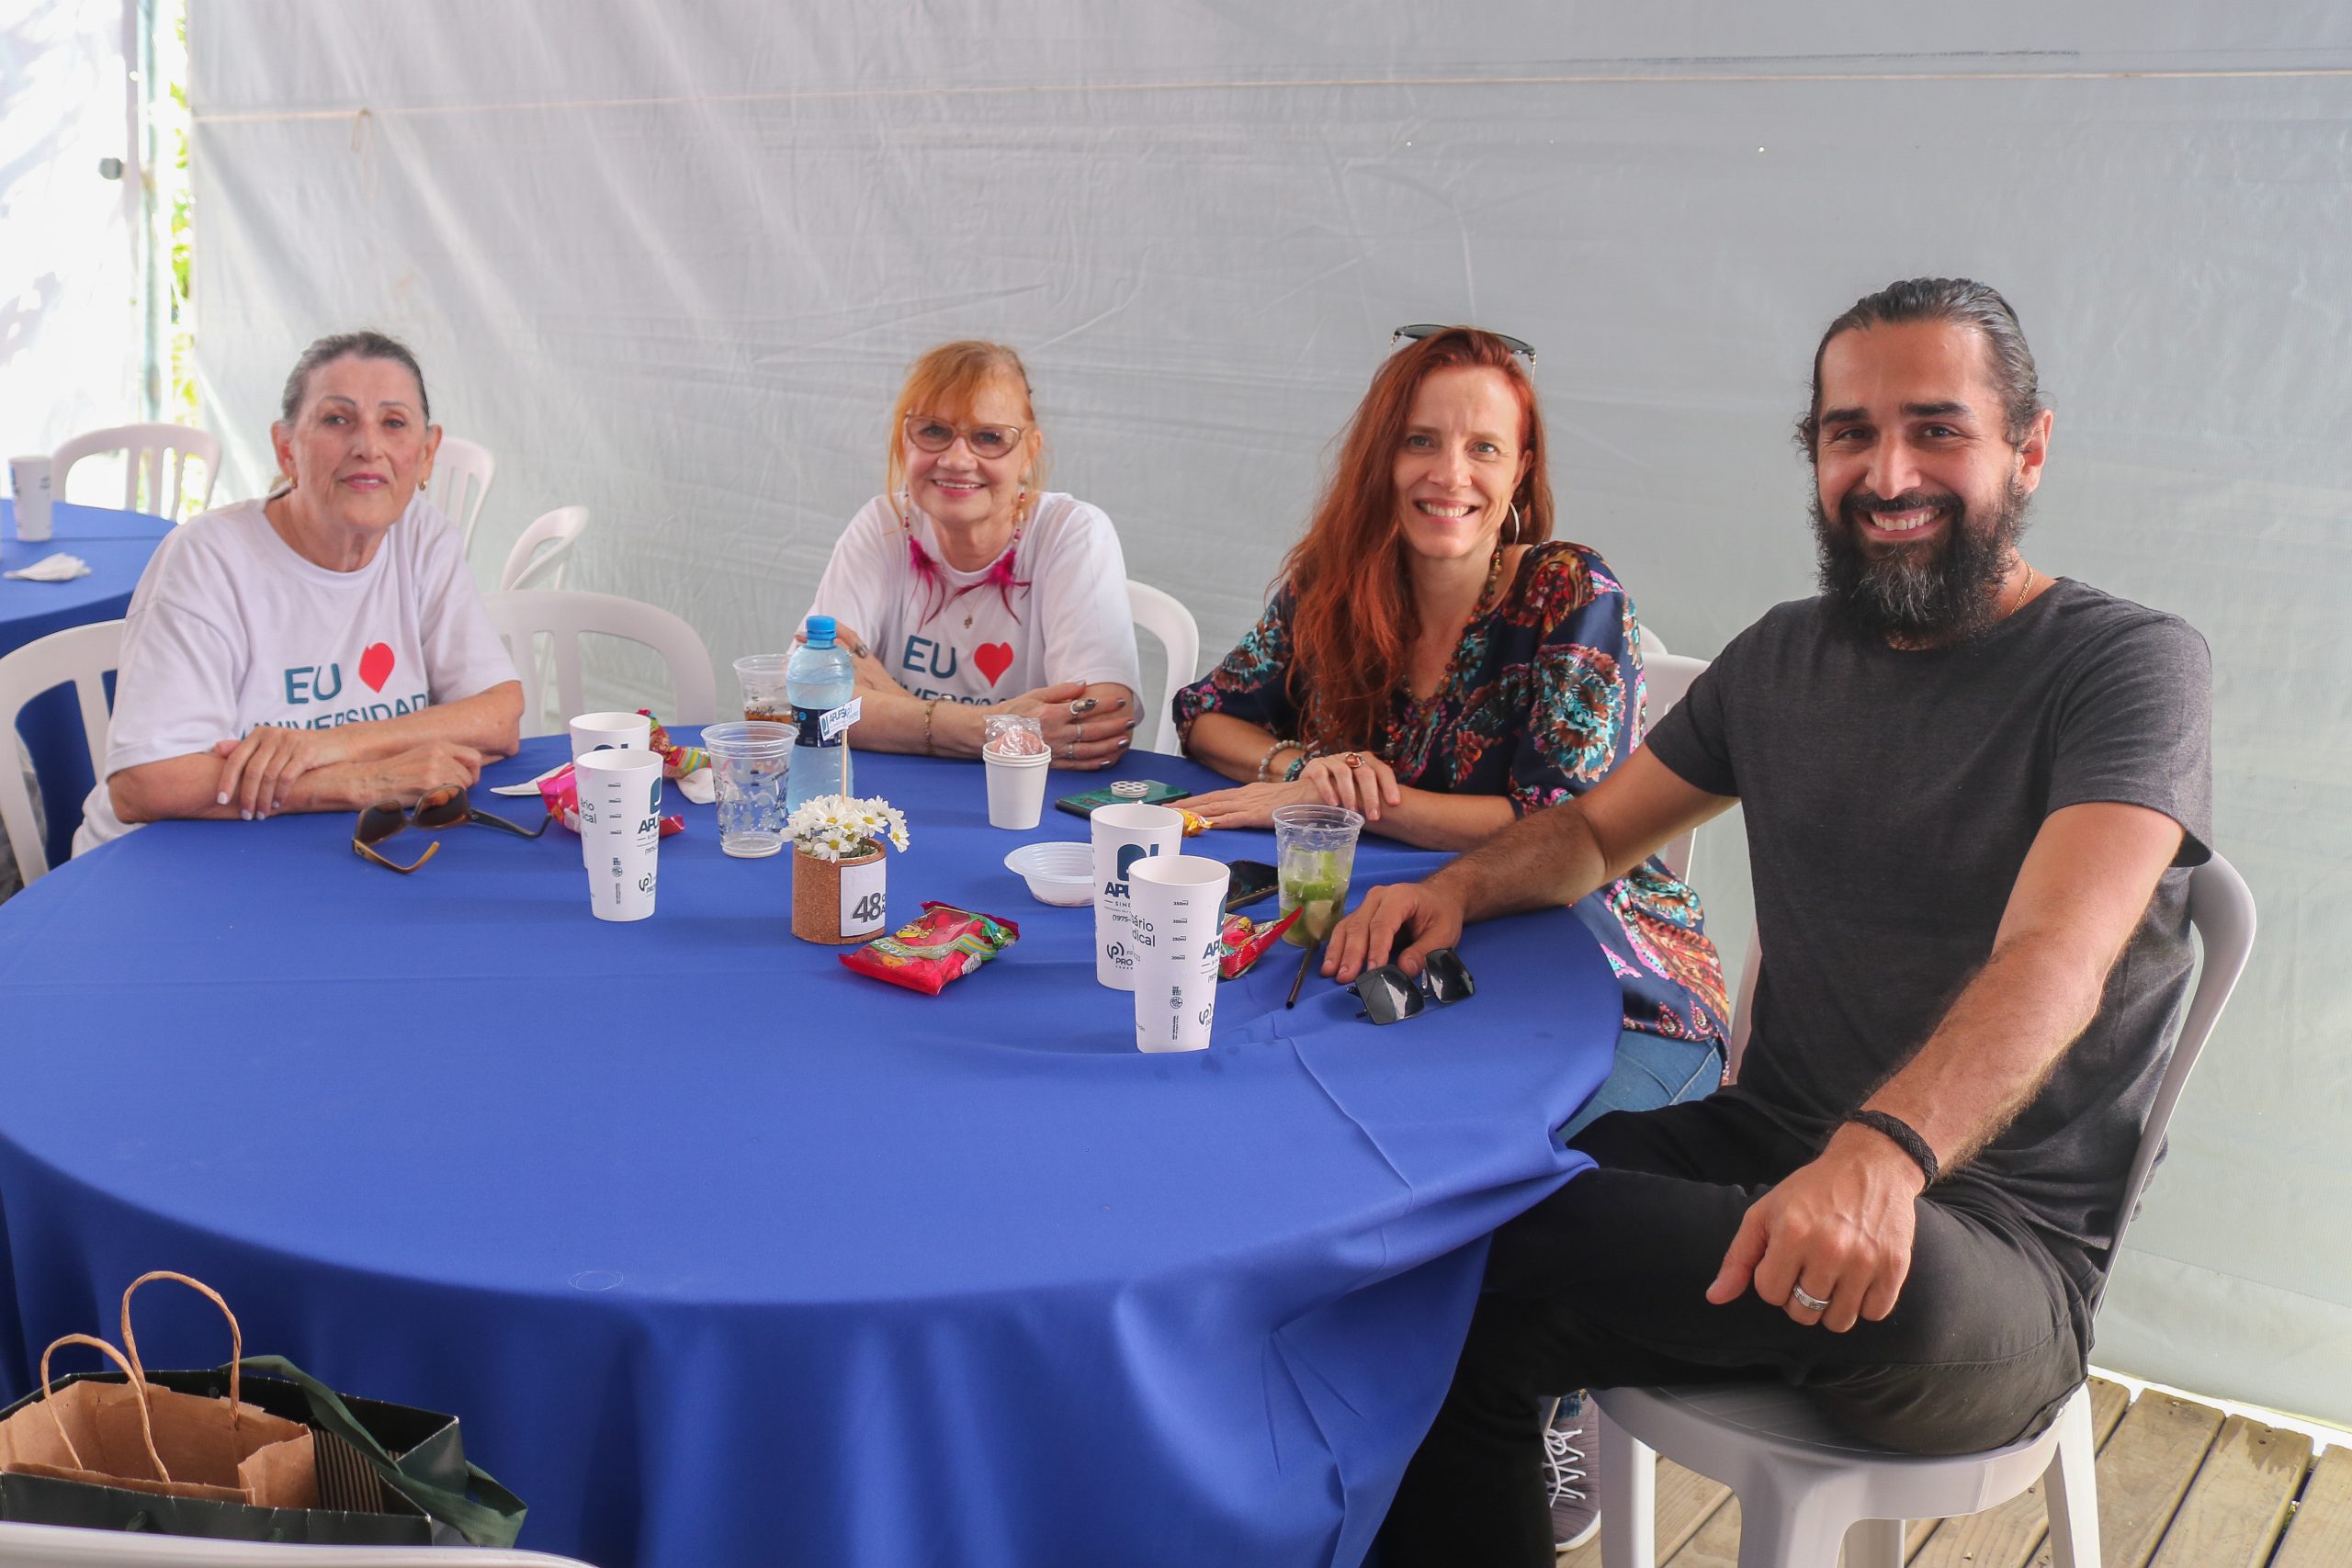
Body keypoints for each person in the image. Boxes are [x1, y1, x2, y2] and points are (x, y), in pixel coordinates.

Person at [1344, 280, 2213, 1566]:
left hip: (1986, 1248)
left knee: (1485, 1249)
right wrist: (1454, 888)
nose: (1888, 473)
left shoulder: (2128, 664)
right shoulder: (1780, 658)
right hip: (1764, 1152)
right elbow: (1590, 834)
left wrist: (1879, 1156)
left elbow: (2059, 954)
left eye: (1936, 429)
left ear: (2028, 449)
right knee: (1442, 1233)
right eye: (1850, 433)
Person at [1181, 325, 1730, 1546]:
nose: (1451, 473)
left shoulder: (1570, 591)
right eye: (1424, 441)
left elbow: (1563, 818)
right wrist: (1297, 766)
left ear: (1521, 469)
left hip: (1612, 972)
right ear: (1382, 456)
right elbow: (1208, 712)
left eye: (1485, 446)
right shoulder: (1334, 580)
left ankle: (1538, 1398)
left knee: (1473, 1191)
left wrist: (1346, 801)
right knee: (1287, 1122)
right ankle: (1296, 1431)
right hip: (1404, 948)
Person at [74, 332, 523, 852]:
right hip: (162, 862)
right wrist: (360, 781)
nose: (368, 446)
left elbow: (499, 716)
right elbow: (143, 785)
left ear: (426, 455)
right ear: (287, 449)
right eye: (337, 420)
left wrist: (328, 745)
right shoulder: (207, 557)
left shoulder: (422, 537)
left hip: (316, 847)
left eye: (394, 423)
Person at [801, 340, 1141, 767]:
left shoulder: (1073, 531)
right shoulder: (882, 524)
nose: (958, 459)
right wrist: (990, 727)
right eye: (933, 431)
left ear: (1029, 453)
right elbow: (807, 699)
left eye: (989, 438)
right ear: (904, 441)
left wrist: (890, 700)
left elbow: (1102, 722)